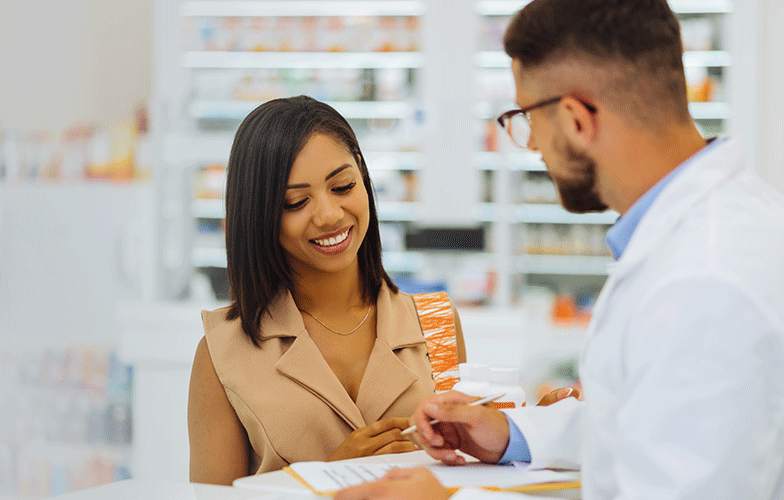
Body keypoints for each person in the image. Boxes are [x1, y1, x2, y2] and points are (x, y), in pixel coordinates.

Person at [335, 1, 784, 499]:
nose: (533, 147)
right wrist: (514, 435)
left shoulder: (704, 276)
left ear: (575, 119)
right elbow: (649, 428)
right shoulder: (713, 230)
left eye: (525, 118)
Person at [186, 95, 470, 485]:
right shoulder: (223, 352)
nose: (329, 214)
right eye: (297, 202)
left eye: (342, 186)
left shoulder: (437, 321)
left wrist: (525, 434)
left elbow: (466, 472)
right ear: (259, 216)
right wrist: (328, 478)